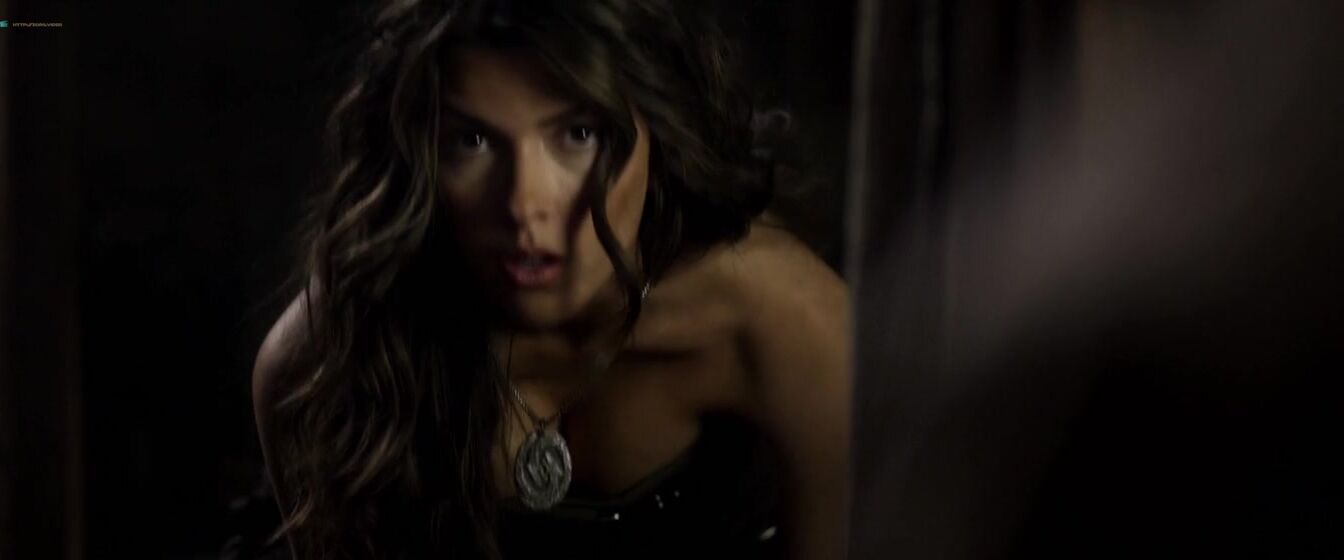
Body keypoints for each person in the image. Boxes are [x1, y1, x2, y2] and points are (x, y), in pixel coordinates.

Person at [250, 1, 850, 558]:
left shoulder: (784, 321)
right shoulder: (323, 364)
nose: (524, 205)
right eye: (472, 141)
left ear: (659, 130)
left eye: (578, 134)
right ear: (421, 156)